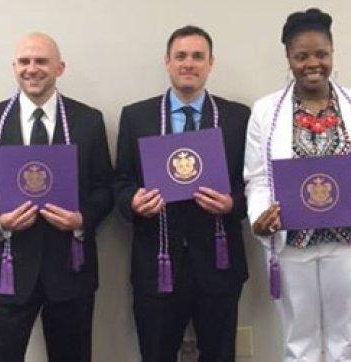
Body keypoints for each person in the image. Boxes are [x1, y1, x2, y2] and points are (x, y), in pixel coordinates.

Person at [0, 32, 114, 362]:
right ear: (14, 67)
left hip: (71, 271)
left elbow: (105, 188)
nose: (32, 69)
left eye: (41, 61)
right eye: (24, 62)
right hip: (9, 270)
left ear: (60, 68)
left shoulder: (88, 121)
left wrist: (82, 219)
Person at [244, 8, 351, 362]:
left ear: (333, 54)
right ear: (289, 59)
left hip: (348, 240)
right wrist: (260, 215)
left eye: (321, 54)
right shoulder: (265, 111)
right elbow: (257, 177)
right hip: (292, 244)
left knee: (347, 343)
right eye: (302, 55)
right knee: (299, 344)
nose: (313, 63)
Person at [115, 25, 250, 362]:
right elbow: (120, 181)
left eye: (197, 56)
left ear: (210, 63)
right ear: (167, 62)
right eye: (181, 56)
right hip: (157, 264)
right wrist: (133, 201)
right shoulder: (137, 116)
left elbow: (256, 185)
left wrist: (233, 203)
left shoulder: (237, 117)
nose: (188, 63)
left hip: (219, 263)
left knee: (220, 356)